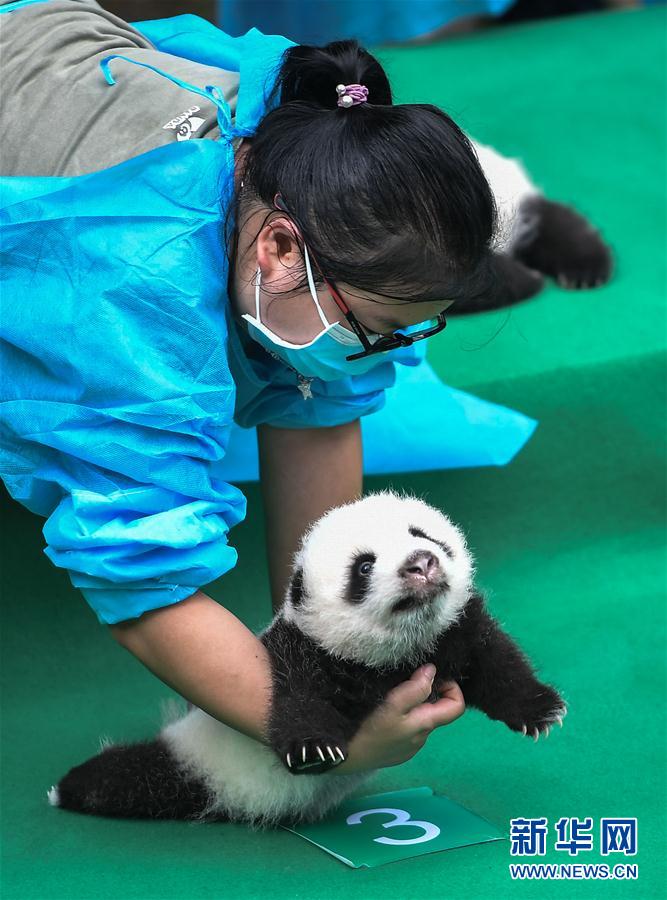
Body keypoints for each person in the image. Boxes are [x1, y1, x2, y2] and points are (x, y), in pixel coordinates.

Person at [0, 0, 552, 777]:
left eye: (414, 329)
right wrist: (316, 727)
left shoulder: (321, 133)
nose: (387, 354)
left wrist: (327, 648)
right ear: (279, 248)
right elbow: (138, 573)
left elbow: (318, 407)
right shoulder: (129, 283)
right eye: (379, 328)